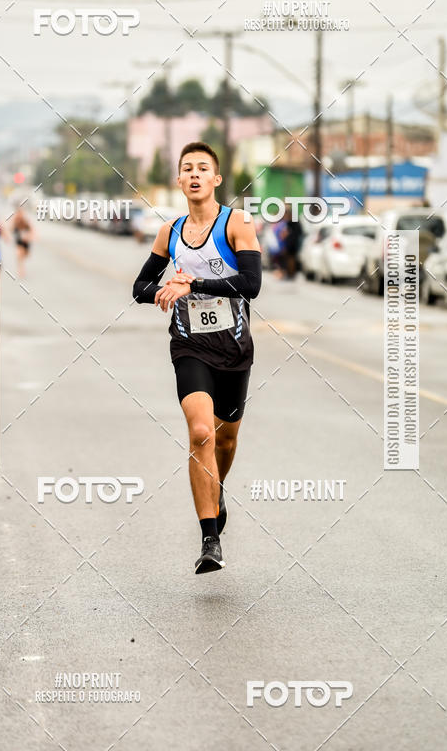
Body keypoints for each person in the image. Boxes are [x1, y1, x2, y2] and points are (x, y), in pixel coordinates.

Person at [132, 142, 262, 574]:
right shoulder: (170, 232)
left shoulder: (237, 223)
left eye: (202, 168)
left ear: (216, 179)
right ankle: (210, 540)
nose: (194, 174)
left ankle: (215, 489)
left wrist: (196, 284)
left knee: (225, 439)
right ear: (178, 180)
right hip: (189, 347)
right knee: (202, 433)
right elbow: (139, 287)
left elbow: (251, 284)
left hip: (234, 348)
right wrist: (165, 288)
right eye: (187, 168)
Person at [12, 207, 34, 278]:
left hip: (26, 241)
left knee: (25, 255)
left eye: (21, 214)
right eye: (18, 214)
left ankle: (21, 268)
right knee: (19, 255)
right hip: (19, 240)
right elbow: (11, 229)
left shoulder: (26, 221)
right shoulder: (15, 221)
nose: (19, 215)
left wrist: (31, 237)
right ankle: (21, 270)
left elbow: (31, 229)